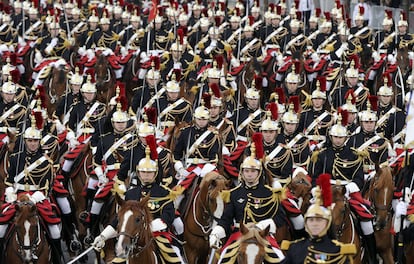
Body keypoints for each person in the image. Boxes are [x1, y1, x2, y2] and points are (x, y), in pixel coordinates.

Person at [92, 146, 184, 264]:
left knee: (177, 258)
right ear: (138, 173)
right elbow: (119, 220)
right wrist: (103, 236)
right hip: (132, 237)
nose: (146, 175)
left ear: (155, 173)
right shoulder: (130, 193)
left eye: (149, 172)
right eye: (143, 172)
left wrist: (148, 227)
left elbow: (168, 216)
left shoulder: (165, 193)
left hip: (157, 235)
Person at [309, 115, 378, 264]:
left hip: (347, 192)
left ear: (346, 137)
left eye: (341, 137)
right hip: (326, 192)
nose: (338, 140)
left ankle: (372, 256)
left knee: (366, 219)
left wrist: (347, 189)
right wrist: (317, 189)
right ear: (331, 137)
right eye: (335, 137)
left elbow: (359, 178)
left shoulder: (354, 155)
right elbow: (315, 177)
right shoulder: (322, 155)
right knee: (307, 216)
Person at [209, 140, 286, 263]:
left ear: (259, 173)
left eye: (253, 171)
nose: (249, 174)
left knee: (281, 259)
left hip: (263, 236)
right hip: (240, 235)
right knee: (222, 259)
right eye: (246, 171)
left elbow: (280, 217)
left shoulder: (270, 193)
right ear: (242, 172)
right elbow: (226, 219)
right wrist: (217, 232)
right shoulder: (234, 193)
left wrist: (265, 224)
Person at [0, 116, 63, 263]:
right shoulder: (15, 158)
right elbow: (9, 182)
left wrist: (33, 199)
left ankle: (58, 257)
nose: (32, 144)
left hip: (37, 198)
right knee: (1, 225)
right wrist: (10, 193)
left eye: (35, 141)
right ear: (25, 141)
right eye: (30, 140)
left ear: (39, 142)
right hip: (18, 198)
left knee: (54, 229)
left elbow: (46, 190)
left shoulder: (46, 163)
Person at [281, 174, 356, 263]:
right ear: (306, 222)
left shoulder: (339, 251)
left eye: (319, 220)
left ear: (327, 222)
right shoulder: (295, 249)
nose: (315, 224)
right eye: (311, 220)